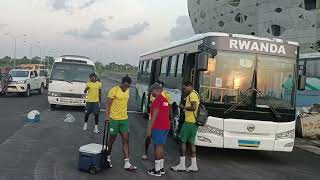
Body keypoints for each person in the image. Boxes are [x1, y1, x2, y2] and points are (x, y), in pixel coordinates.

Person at [105, 76, 137, 171]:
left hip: (124, 119)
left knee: (126, 140)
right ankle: (107, 158)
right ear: (121, 83)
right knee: (111, 140)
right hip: (114, 119)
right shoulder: (114, 90)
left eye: (128, 86)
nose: (126, 88)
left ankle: (127, 163)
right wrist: (107, 117)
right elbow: (108, 105)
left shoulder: (127, 91)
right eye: (125, 85)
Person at [171, 81, 200, 172]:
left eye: (184, 88)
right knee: (192, 142)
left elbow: (194, 107)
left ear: (189, 87)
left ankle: (182, 165)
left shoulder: (192, 95)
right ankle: (194, 165)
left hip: (189, 122)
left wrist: (183, 107)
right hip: (194, 123)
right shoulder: (196, 94)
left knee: (182, 141)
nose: (184, 90)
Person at [142, 80, 173, 160]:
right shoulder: (155, 95)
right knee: (149, 138)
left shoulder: (166, 95)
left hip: (157, 120)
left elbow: (169, 108)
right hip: (154, 118)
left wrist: (171, 118)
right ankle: (146, 152)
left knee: (158, 143)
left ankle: (158, 165)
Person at [146, 83, 170, 177]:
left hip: (158, 127)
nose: (151, 93)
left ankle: (156, 170)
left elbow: (154, 116)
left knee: (157, 147)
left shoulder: (157, 101)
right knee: (161, 146)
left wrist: (149, 129)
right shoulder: (165, 100)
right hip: (166, 126)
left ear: (156, 90)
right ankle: (161, 168)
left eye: (151, 91)